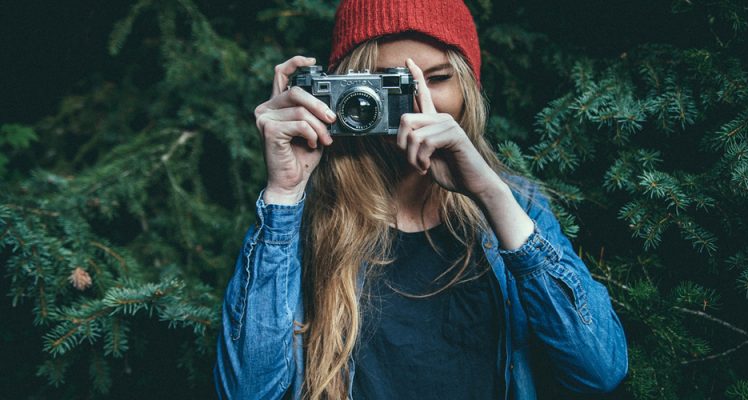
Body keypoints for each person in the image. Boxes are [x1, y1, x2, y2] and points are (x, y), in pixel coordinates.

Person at [213, 0, 628, 399]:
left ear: (467, 85)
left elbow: (599, 370)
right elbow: (247, 392)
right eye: (384, 83)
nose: (416, 103)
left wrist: (490, 194)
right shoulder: (302, 218)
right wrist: (284, 195)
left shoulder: (515, 205)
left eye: (438, 78)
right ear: (338, 92)